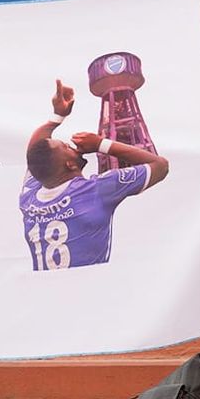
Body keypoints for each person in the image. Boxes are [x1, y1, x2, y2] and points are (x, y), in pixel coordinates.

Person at [20, 79, 169, 271]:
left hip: (43, 295)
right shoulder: (97, 189)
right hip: (88, 292)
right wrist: (100, 144)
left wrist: (57, 117)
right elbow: (160, 165)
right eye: (66, 146)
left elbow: (36, 150)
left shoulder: (29, 196)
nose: (71, 145)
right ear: (69, 164)